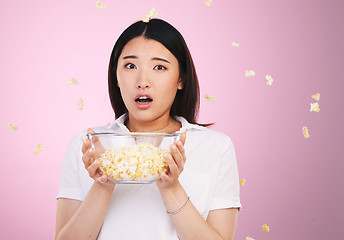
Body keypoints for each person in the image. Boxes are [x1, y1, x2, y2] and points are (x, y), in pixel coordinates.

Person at [55, 18, 241, 240]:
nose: (142, 81)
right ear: (116, 76)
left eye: (159, 67)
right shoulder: (87, 145)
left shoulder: (216, 146)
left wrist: (171, 188)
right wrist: (103, 184)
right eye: (130, 66)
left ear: (181, 78)